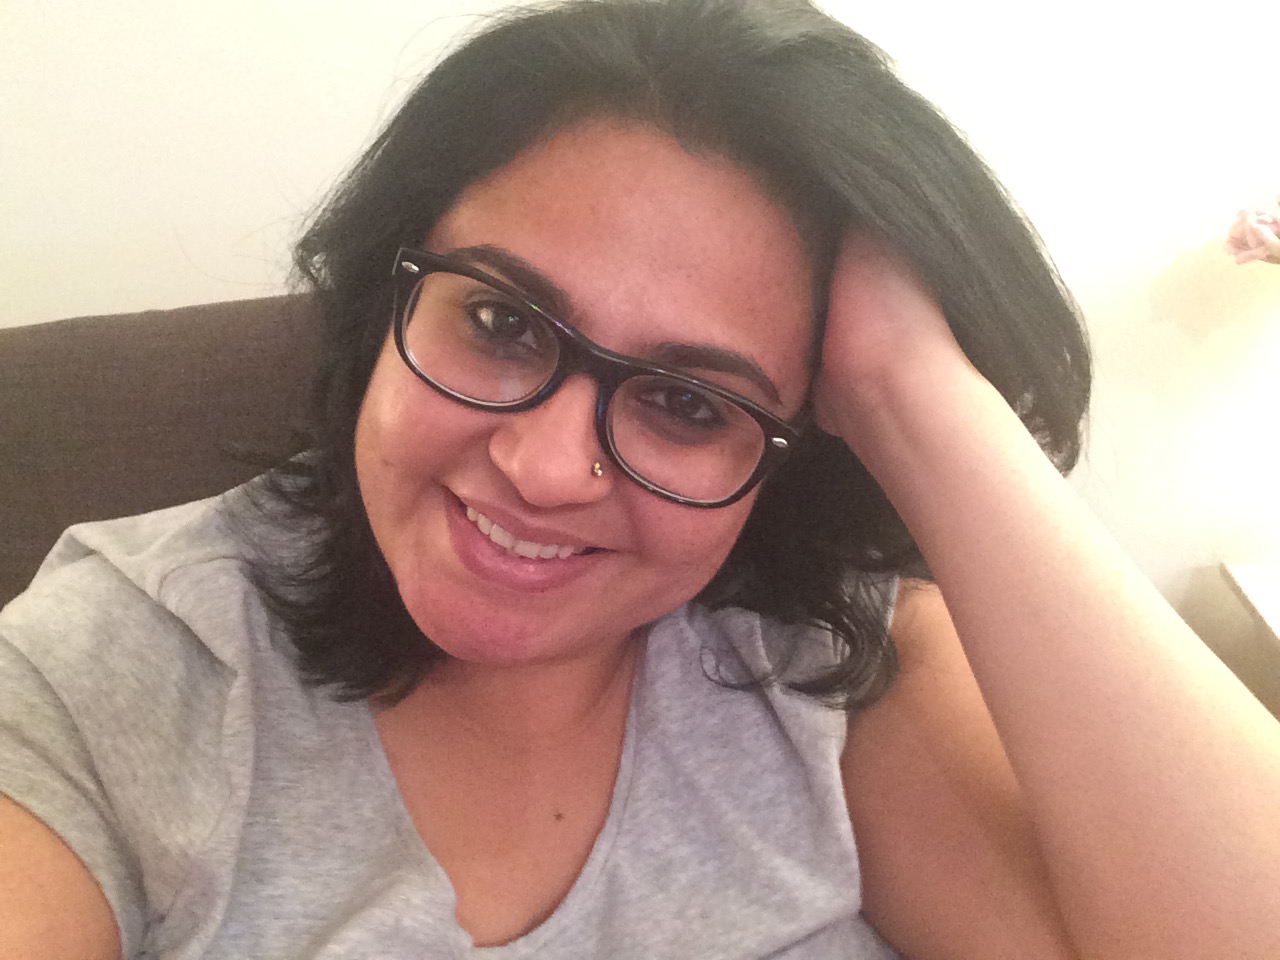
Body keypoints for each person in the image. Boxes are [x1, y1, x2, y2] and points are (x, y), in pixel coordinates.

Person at [3, 0, 1279, 957]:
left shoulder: (833, 669)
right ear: (389, 291)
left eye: (687, 402)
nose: (544, 466)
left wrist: (911, 389)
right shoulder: (117, 670)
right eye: (500, 323)